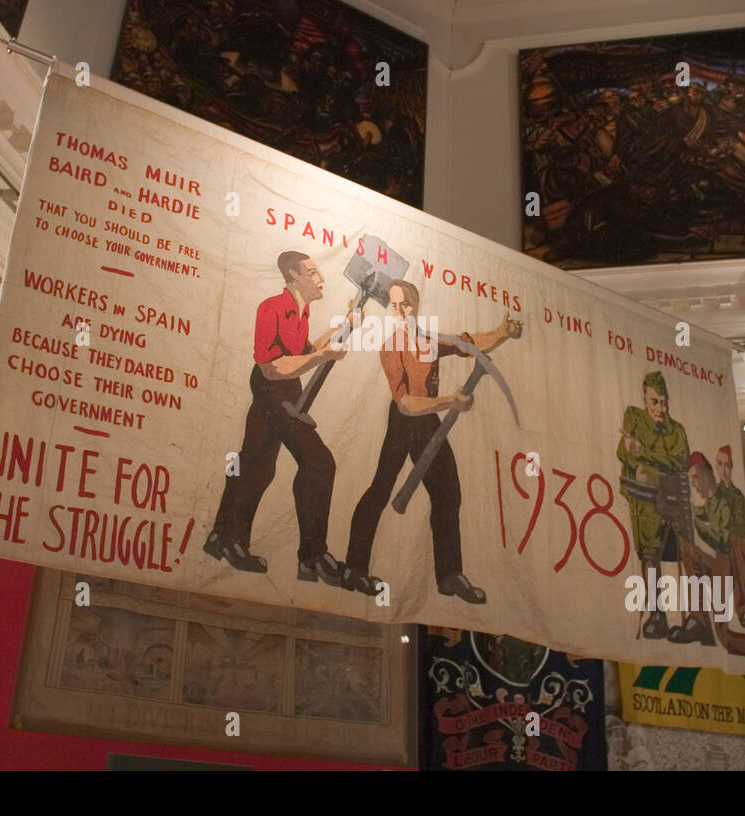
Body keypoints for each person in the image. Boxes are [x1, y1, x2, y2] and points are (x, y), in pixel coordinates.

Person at [342, 279, 521, 604]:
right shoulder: (391, 346)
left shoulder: (429, 340)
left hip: (429, 421)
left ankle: (450, 576)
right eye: (394, 306)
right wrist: (450, 402)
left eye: (405, 304)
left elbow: (470, 344)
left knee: (448, 493)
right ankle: (354, 568)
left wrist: (502, 332)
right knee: (381, 488)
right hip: (404, 422)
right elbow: (406, 403)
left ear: (416, 305)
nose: (400, 311)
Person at [203, 251, 354, 583]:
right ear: (293, 276)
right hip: (274, 391)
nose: (320, 279)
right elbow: (271, 367)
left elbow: (302, 353)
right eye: (312, 273)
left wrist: (340, 329)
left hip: (286, 390)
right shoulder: (271, 307)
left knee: (256, 464)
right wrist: (323, 356)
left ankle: (223, 537)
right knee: (318, 462)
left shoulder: (302, 311)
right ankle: (312, 557)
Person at [666, 452, 745, 658]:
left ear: (706, 474)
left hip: (732, 568)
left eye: (695, 479)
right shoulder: (707, 506)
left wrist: (697, 522)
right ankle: (699, 619)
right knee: (689, 550)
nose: (694, 485)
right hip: (719, 570)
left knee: (737, 543)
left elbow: (724, 538)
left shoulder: (728, 498)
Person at [617, 371, 689, 639]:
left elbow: (680, 462)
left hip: (672, 498)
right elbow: (623, 451)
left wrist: (645, 454)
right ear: (645, 400)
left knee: (683, 555)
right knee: (648, 555)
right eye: (654, 402)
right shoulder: (635, 418)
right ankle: (656, 613)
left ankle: (693, 615)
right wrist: (640, 456)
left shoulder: (677, 431)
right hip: (644, 500)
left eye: (663, 402)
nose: (659, 408)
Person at [714, 445, 745, 630]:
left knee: (739, 548)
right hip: (720, 542)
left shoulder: (737, 496)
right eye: (720, 465)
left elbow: (740, 527)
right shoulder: (714, 493)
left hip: (733, 542)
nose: (723, 470)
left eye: (727, 465)